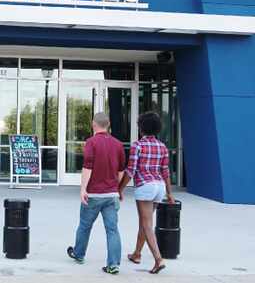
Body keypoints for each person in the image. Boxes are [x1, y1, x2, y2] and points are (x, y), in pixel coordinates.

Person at [67, 112, 126, 275]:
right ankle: (113, 264)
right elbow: (121, 171)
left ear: (94, 124)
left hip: (94, 194)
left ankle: (79, 255)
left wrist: (83, 189)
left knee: (85, 226)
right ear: (108, 125)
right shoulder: (118, 144)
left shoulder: (91, 143)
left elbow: (87, 168)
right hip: (111, 195)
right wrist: (117, 188)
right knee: (112, 230)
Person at [118, 111, 175, 275]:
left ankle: (158, 260)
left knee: (146, 224)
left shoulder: (138, 145)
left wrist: (120, 189)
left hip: (145, 186)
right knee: (145, 222)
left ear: (141, 128)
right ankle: (136, 254)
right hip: (159, 187)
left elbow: (131, 170)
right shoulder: (162, 146)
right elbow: (165, 171)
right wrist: (170, 194)